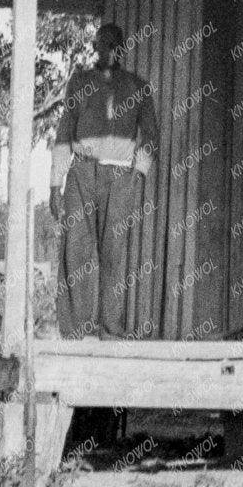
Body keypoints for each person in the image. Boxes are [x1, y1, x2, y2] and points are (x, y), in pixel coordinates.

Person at [49, 21, 159, 339]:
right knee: (76, 251)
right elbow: (64, 132)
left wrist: (138, 173)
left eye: (115, 44)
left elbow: (150, 134)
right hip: (82, 172)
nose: (108, 49)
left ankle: (110, 327)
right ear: (95, 47)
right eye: (102, 43)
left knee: (113, 251)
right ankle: (73, 330)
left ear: (122, 48)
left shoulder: (138, 87)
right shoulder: (79, 82)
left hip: (120, 175)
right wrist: (56, 184)